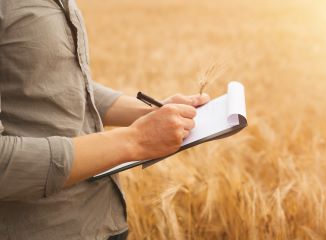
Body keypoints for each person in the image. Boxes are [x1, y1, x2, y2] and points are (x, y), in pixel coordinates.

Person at [0, 0, 210, 239]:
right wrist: (137, 140)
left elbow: (57, 83)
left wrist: (151, 111)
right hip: (47, 227)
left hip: (104, 218)